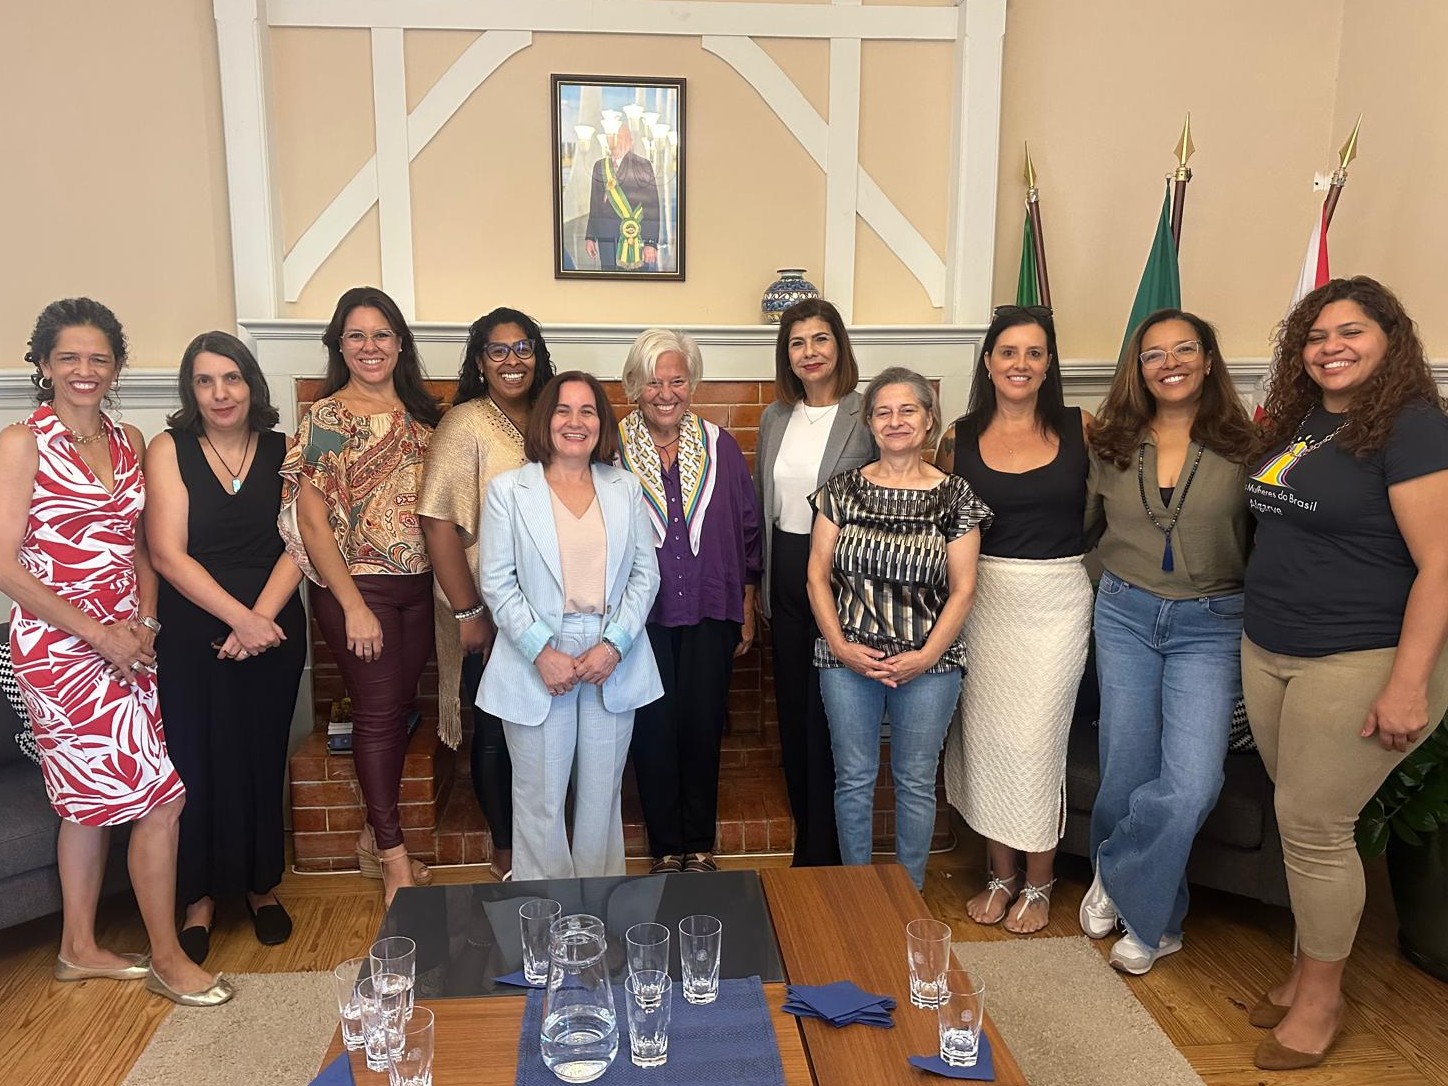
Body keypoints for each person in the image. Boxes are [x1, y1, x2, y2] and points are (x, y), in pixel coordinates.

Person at [1239, 277, 1448, 1071]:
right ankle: (1302, 971)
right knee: (1304, 823)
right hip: (1271, 646)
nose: (1331, 348)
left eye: (1351, 332)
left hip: (1363, 654)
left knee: (1317, 828)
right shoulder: (1306, 420)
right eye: (1318, 335)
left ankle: (1323, 1000)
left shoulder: (1416, 429)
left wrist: (1408, 684)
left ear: (1390, 338)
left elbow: (1442, 566)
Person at [0, 298, 231, 1006]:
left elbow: (138, 547)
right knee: (164, 798)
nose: (84, 370)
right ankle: (166, 957)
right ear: (42, 365)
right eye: (68, 357)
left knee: (83, 806)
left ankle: (77, 947)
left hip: (130, 642)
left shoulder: (129, 438)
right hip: (59, 649)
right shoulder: (22, 443)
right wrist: (98, 633)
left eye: (99, 358)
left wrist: (146, 624)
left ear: (118, 366)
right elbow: (5, 566)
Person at [1080, 308, 1256, 974]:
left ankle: (1116, 867)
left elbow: (1267, 543)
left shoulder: (1247, 445)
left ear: (1209, 360)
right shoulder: (1112, 442)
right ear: (1139, 368)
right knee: (1124, 769)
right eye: (1154, 354)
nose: (1170, 363)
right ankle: (1157, 925)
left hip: (1210, 624)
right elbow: (1084, 528)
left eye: (1185, 349)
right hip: (1124, 613)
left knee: (1191, 783)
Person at [146, 332, 307, 963]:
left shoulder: (285, 448)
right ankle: (199, 900)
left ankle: (261, 887)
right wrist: (238, 619)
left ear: (252, 385)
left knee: (261, 756)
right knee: (197, 762)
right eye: (206, 380)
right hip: (194, 633)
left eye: (232, 378)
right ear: (191, 389)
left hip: (271, 630)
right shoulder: (169, 449)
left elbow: (302, 540)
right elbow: (166, 553)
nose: (220, 393)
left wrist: (260, 620)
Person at [280, 286, 442, 906]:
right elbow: (311, 520)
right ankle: (394, 857)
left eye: (381, 335)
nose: (369, 347)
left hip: (418, 587)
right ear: (339, 346)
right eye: (356, 336)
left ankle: (375, 842)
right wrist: (351, 605)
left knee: (396, 710)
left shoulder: (426, 417)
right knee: (377, 718)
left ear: (399, 344)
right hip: (358, 587)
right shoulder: (326, 420)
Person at [937, 305, 1093, 934]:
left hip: (1057, 599)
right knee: (984, 737)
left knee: (1036, 742)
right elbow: (938, 520)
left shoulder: (1085, 427)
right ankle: (1000, 875)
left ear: (1048, 364)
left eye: (1033, 353)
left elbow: (1125, 503)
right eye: (1008, 352)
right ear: (989, 361)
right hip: (982, 599)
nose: (1020, 364)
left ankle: (1040, 879)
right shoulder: (959, 436)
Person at [808, 367, 990, 890]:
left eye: (908, 409)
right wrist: (841, 646)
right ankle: (858, 897)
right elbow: (817, 576)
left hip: (929, 667)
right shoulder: (840, 491)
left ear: (929, 419)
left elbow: (964, 589)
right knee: (854, 780)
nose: (895, 421)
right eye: (883, 412)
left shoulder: (956, 497)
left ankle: (908, 896)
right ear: (869, 423)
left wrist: (926, 656)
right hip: (847, 664)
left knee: (914, 783)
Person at [478, 372, 662, 880]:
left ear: (601, 423)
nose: (575, 422)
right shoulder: (508, 491)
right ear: (546, 419)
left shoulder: (625, 487)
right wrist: (542, 651)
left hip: (610, 657)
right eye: (563, 410)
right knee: (539, 803)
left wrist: (615, 645)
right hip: (536, 657)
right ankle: (545, 925)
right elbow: (496, 583)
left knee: (602, 803)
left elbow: (646, 577)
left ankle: (597, 922)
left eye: (588, 411)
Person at [617, 329, 763, 874]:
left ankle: (698, 845)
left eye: (677, 380)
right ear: (634, 384)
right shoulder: (612, 447)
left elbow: (748, 527)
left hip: (710, 605)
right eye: (653, 381)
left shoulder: (720, 444)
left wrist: (747, 601)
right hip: (640, 616)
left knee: (702, 726)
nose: (665, 392)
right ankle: (663, 848)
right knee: (652, 728)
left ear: (692, 384)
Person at [419, 307, 555, 883]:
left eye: (522, 347)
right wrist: (469, 612)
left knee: (551, 730)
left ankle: (547, 843)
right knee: (498, 729)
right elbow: (437, 523)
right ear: (479, 362)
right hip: (489, 611)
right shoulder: (465, 425)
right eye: (497, 351)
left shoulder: (557, 416)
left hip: (556, 612)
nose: (512, 360)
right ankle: (506, 850)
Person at [756, 298, 876, 867]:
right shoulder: (775, 416)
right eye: (798, 342)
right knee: (794, 707)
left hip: (845, 577)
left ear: (839, 346)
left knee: (834, 709)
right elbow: (766, 504)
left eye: (820, 339)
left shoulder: (867, 411)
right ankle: (808, 835)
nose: (810, 352)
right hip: (786, 568)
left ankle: (829, 850)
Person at [585, 122, 661, 271]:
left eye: (621, 137)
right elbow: (594, 205)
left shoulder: (643, 165)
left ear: (630, 141)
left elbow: (652, 206)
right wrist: (590, 236)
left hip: (635, 236)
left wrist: (650, 242)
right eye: (613, 138)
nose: (617, 142)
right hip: (606, 238)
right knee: (609, 284)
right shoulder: (599, 166)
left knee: (637, 287)